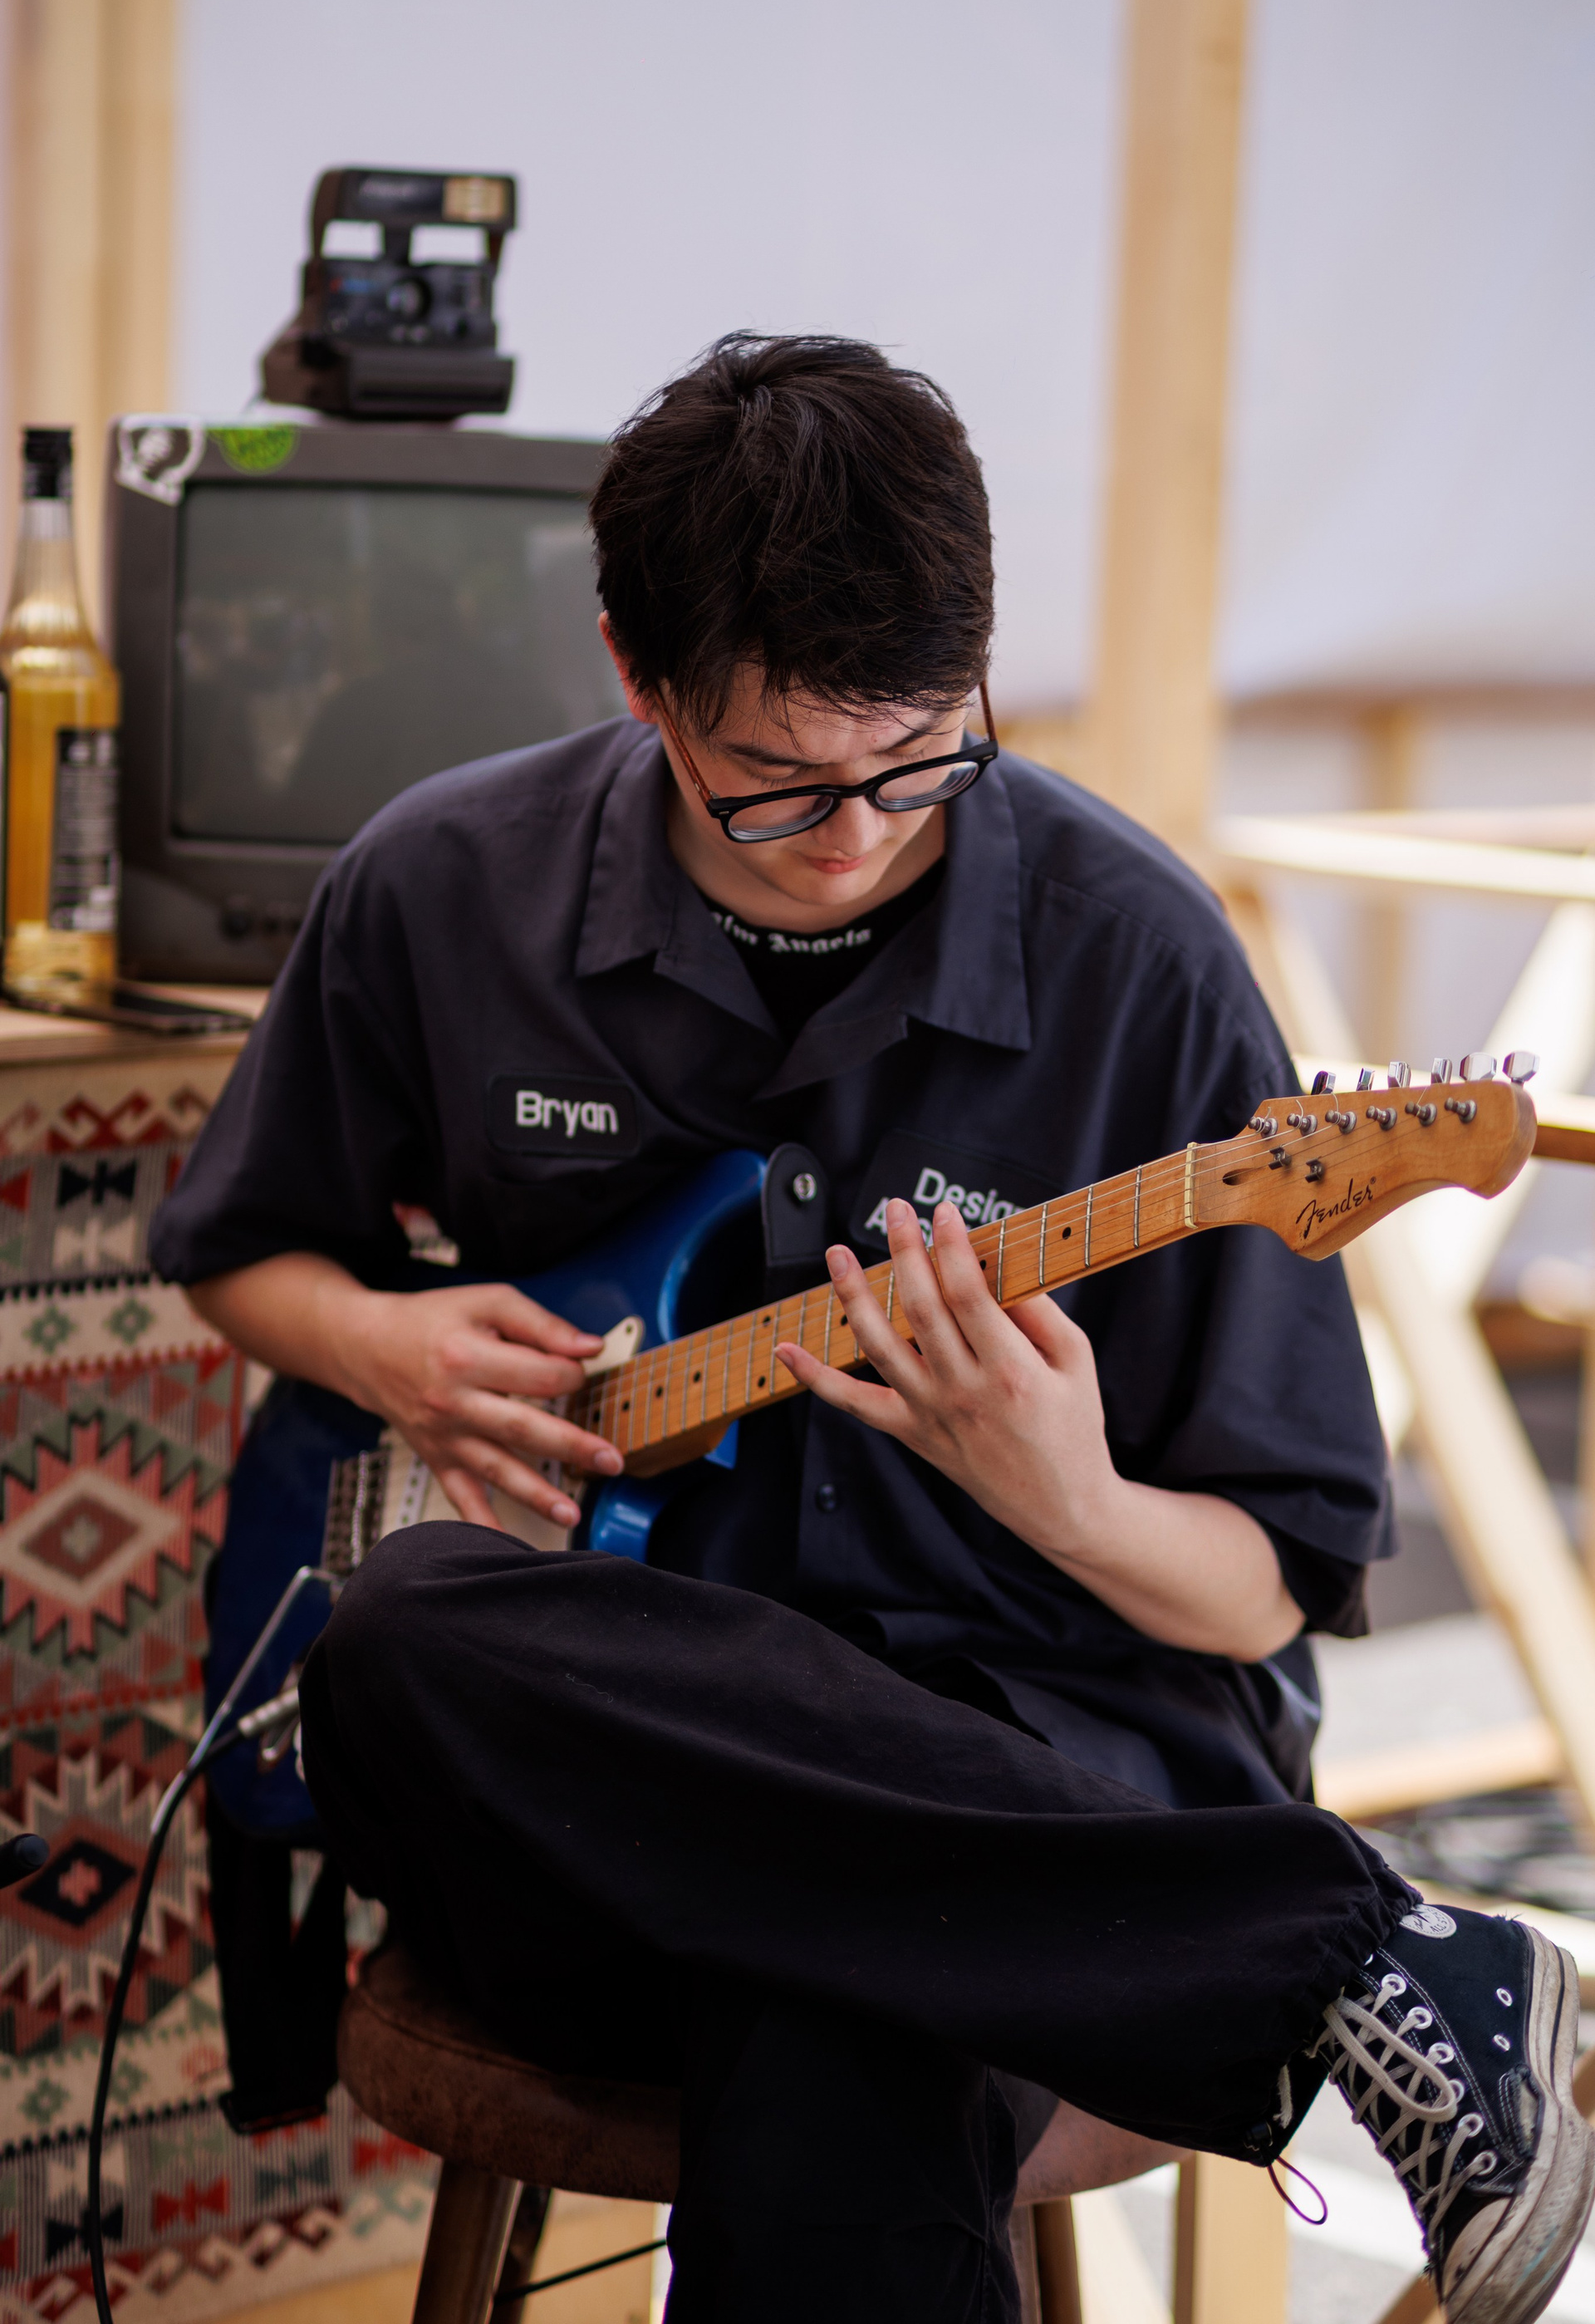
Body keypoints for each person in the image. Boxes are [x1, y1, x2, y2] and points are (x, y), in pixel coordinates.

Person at [150, 335, 1593, 2324]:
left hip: (1041, 1750)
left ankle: (1246, 1939)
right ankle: (1357, 1960)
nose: (856, 833)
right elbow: (238, 1250)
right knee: (398, 1633)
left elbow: (1268, 1590)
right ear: (636, 674)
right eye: (780, 782)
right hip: (602, 1766)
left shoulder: (1142, 961)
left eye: (921, 756)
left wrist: (1068, 1496)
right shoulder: (444, 883)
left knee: (843, 2015)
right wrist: (386, 1352)